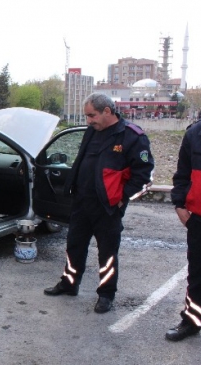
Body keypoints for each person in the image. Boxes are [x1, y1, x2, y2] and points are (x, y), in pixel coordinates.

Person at [44, 92, 154, 314]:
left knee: (107, 253)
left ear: (107, 111)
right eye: (86, 116)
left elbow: (143, 176)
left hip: (108, 208)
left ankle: (106, 294)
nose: (89, 121)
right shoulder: (92, 132)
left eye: (91, 115)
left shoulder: (132, 136)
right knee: (74, 246)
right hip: (82, 203)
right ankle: (69, 283)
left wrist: (122, 199)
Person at [166, 114, 201, 341]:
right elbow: (182, 174)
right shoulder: (195, 133)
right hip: (200, 220)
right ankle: (192, 321)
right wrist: (179, 205)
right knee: (198, 275)